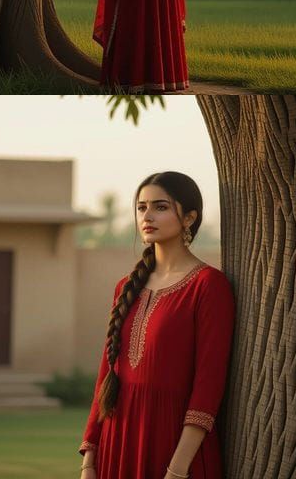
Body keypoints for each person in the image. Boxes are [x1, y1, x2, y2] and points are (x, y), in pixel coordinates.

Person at [79, 172, 234, 479]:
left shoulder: (209, 286)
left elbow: (209, 385)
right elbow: (106, 376)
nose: (147, 216)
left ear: (189, 217)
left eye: (160, 207)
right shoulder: (126, 287)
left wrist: (177, 469)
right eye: (141, 207)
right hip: (119, 441)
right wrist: (89, 460)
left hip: (175, 445)